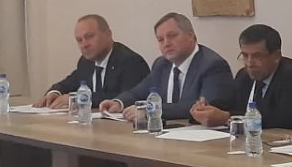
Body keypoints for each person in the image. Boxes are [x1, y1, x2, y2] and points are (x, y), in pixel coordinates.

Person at [98, 12, 233, 122]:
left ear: (191, 36)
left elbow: (201, 109)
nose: (166, 43)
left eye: (172, 36)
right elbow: (138, 92)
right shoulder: (162, 64)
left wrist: (150, 110)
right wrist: (118, 102)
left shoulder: (212, 65)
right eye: (160, 39)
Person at [190, 24, 292, 131]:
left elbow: (281, 121)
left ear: (276, 56)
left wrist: (228, 118)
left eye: (257, 56)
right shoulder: (244, 76)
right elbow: (229, 104)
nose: (249, 63)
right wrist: (205, 109)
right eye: (245, 56)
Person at [32, 15, 150, 108]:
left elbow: (125, 97)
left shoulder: (130, 61)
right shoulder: (86, 62)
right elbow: (68, 83)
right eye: (79, 40)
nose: (84, 44)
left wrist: (78, 98)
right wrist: (54, 92)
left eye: (89, 37)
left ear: (108, 34)